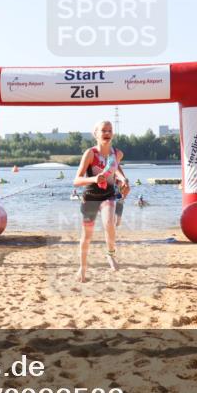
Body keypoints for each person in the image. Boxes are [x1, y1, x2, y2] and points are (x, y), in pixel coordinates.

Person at [73, 120, 130, 282]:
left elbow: (117, 171)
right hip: (90, 197)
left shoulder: (116, 153)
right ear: (96, 134)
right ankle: (82, 269)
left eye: (109, 130)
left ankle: (110, 254)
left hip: (108, 195)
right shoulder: (90, 154)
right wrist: (93, 179)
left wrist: (124, 180)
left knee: (109, 223)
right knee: (87, 236)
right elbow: (76, 180)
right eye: (103, 130)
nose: (107, 133)